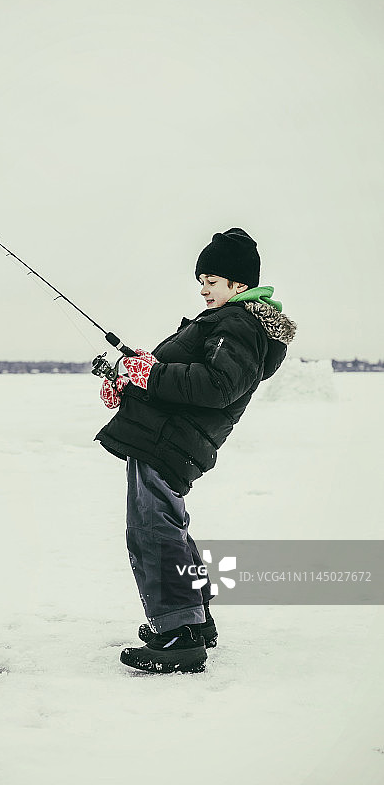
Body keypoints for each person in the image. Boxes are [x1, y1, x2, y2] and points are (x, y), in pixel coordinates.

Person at [95, 228, 296, 674]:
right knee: (166, 524)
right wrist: (127, 384)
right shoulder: (228, 322)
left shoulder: (239, 324)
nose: (204, 287)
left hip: (171, 440)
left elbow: (218, 386)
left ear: (239, 285)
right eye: (201, 279)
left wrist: (150, 374)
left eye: (213, 279)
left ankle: (177, 633)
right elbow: (180, 380)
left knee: (153, 527)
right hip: (166, 435)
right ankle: (194, 619)